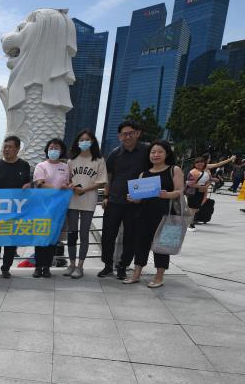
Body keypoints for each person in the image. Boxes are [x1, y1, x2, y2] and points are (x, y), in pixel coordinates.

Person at [123, 140, 184, 289]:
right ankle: (136, 274)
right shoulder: (143, 174)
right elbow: (138, 198)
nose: (156, 155)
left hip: (165, 214)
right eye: (153, 152)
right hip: (143, 214)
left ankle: (159, 277)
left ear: (167, 153)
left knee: (162, 246)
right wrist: (133, 198)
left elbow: (180, 191)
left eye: (160, 152)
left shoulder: (174, 170)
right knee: (140, 244)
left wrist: (167, 194)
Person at [99, 120, 149, 280]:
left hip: (135, 203)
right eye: (123, 134)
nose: (127, 137)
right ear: (119, 136)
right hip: (114, 200)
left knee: (131, 237)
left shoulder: (147, 151)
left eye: (130, 133)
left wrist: (142, 196)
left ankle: (122, 266)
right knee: (108, 235)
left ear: (137, 133)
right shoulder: (115, 153)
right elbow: (109, 176)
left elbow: (152, 173)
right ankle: (107, 265)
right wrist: (106, 196)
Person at [0, 136, 33, 278]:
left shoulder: (24, 166)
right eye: (5, 146)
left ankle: (6, 268)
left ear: (18, 149)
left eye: (10, 147)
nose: (6, 149)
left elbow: (28, 185)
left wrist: (29, 185)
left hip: (15, 212)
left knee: (11, 242)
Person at [65, 130, 107, 279]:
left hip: (88, 200)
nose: (84, 142)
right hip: (73, 200)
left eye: (87, 139)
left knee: (84, 234)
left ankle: (80, 266)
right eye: (81, 139)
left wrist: (84, 189)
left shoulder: (99, 160)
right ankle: (71, 264)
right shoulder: (71, 161)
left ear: (93, 142)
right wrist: (71, 186)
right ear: (77, 142)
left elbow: (101, 181)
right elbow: (67, 179)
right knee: (72, 233)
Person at [32, 138, 71, 278]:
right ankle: (38, 266)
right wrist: (57, 188)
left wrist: (66, 188)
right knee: (40, 238)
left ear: (61, 151)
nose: (53, 150)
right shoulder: (41, 166)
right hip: (42, 207)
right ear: (47, 150)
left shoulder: (65, 167)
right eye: (51, 147)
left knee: (53, 239)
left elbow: (66, 184)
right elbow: (39, 183)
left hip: (58, 208)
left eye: (56, 148)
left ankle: (47, 266)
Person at [186, 155, 233, 228]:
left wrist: (214, 180)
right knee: (192, 208)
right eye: (198, 162)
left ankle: (190, 220)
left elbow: (208, 177)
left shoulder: (206, 169)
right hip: (194, 191)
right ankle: (190, 223)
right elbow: (189, 183)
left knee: (196, 208)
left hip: (202, 191)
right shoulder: (194, 171)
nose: (200, 164)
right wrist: (230, 159)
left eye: (201, 162)